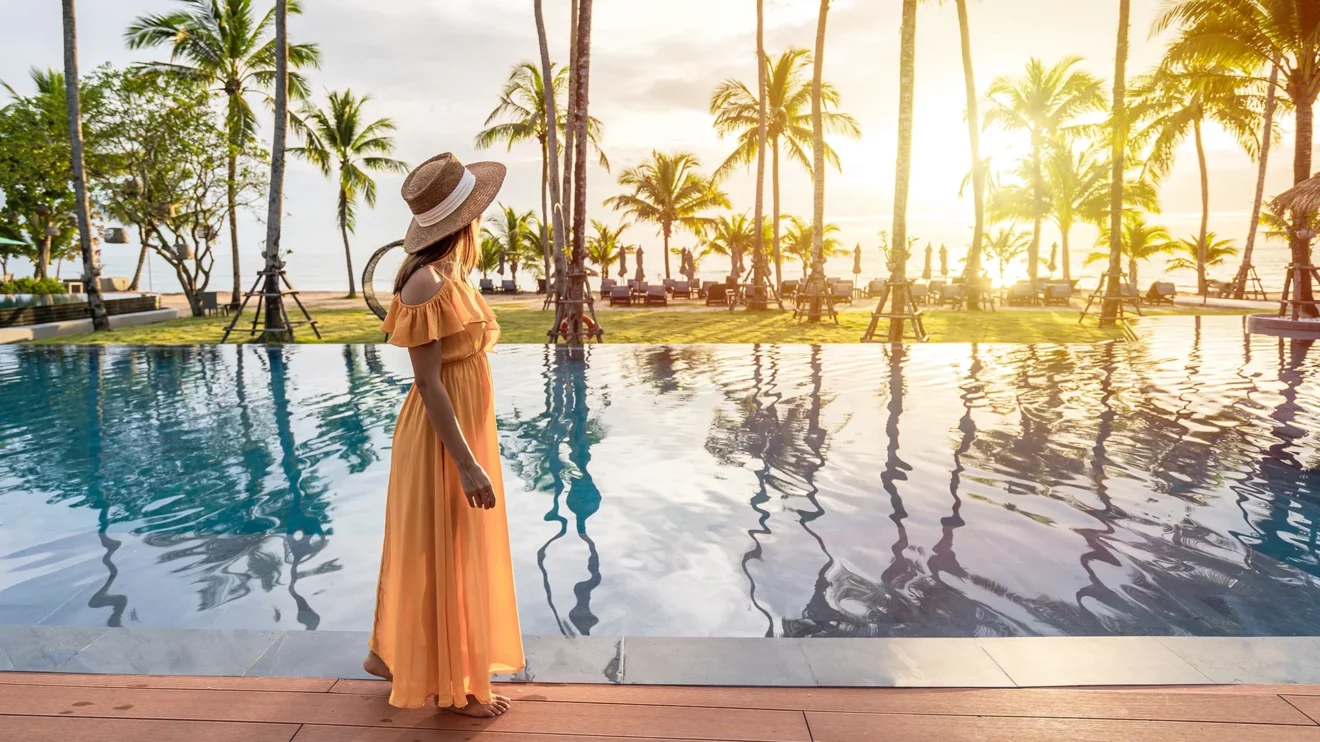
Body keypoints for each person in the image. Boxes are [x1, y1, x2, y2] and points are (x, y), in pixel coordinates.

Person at [364, 153, 524, 717]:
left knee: (452, 549)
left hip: (461, 429)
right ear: (462, 220)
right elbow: (430, 385)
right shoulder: (425, 282)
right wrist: (467, 464)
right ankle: (454, 689)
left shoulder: (451, 275)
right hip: (441, 437)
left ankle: (426, 665)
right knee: (444, 550)